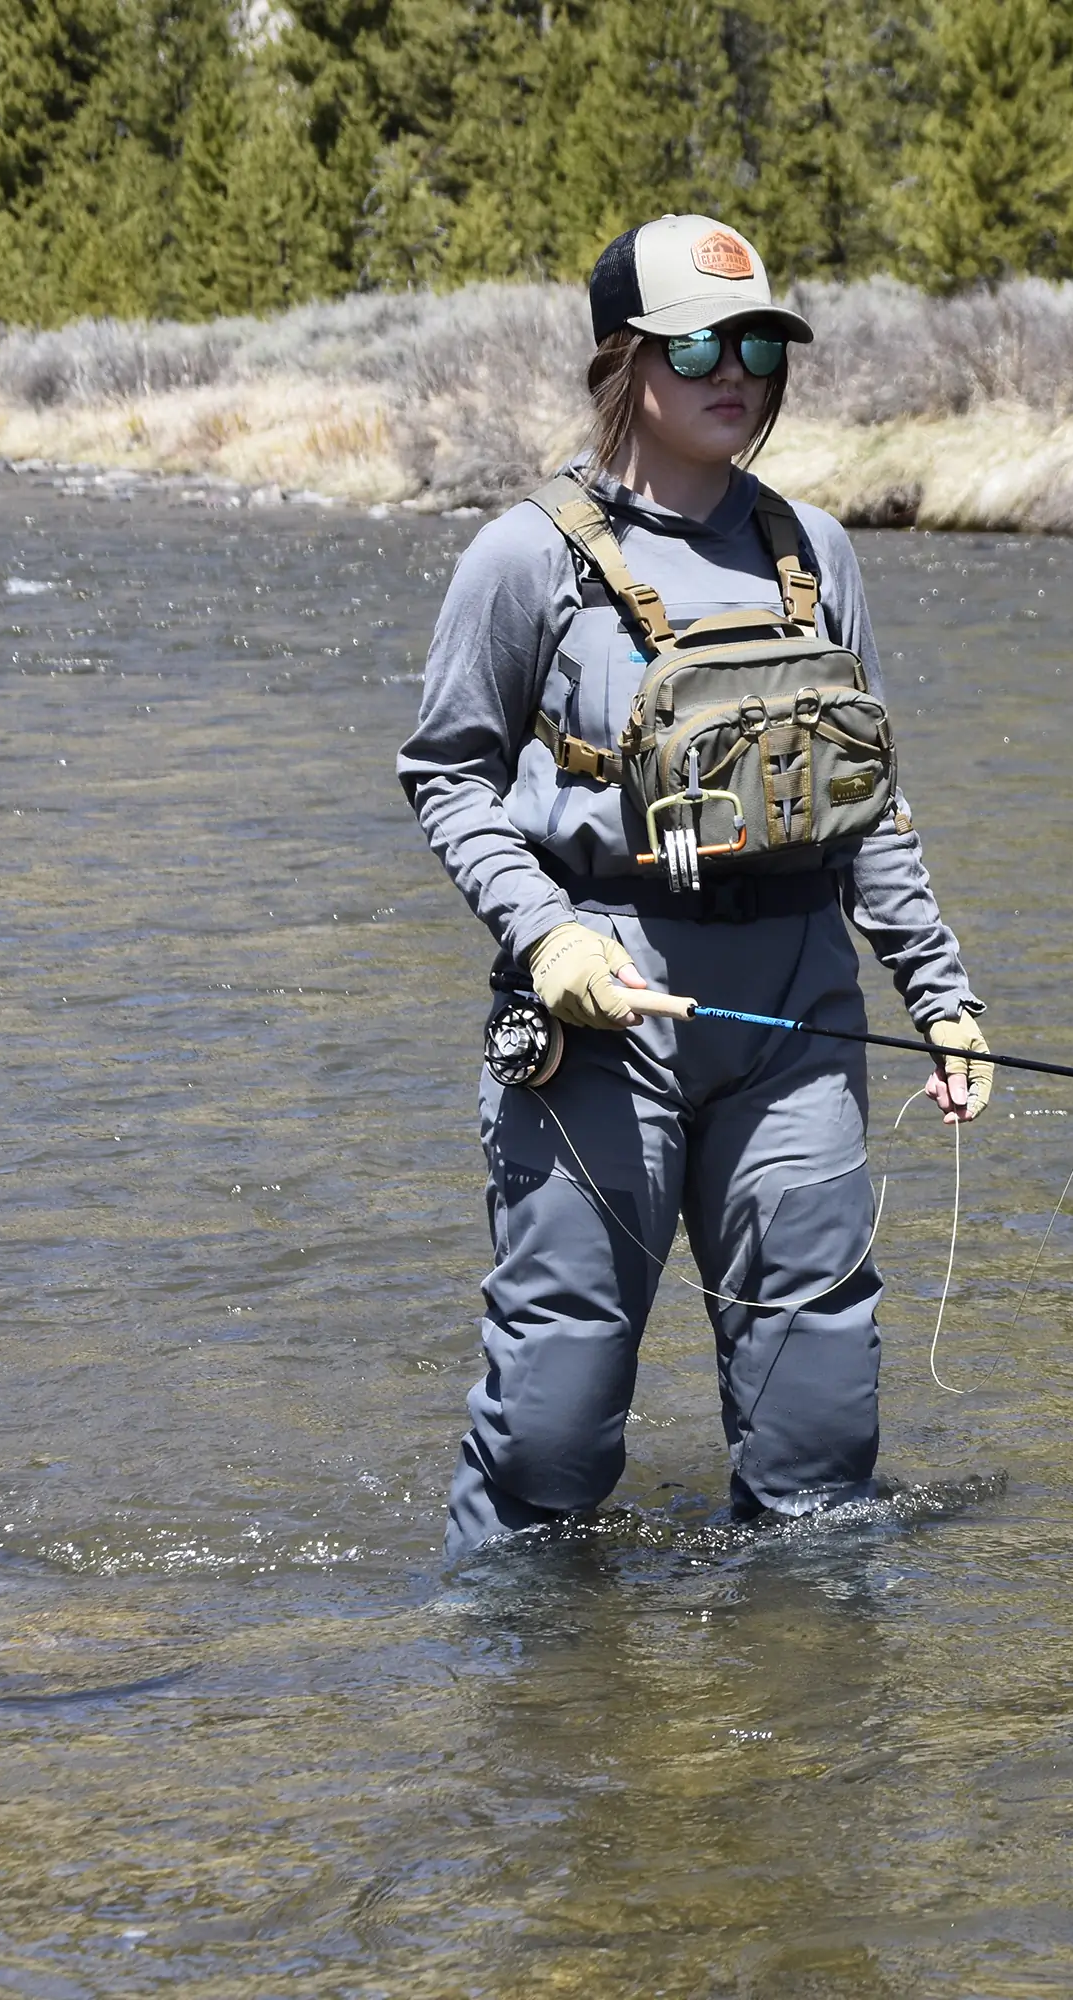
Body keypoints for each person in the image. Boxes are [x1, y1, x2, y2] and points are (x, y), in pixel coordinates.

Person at [398, 213, 994, 1560]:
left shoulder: (817, 551)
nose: (741, 371)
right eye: (703, 346)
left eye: (762, 346)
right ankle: (520, 1706)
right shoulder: (524, 559)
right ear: (624, 360)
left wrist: (940, 995)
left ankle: (813, 1720)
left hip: (795, 1014)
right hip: (604, 1020)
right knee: (555, 1423)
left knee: (821, 1429)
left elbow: (868, 800)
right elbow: (445, 776)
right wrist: (543, 934)